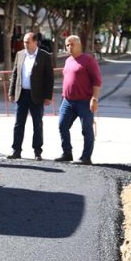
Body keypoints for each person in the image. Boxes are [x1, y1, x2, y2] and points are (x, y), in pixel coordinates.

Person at [54, 35, 102, 165]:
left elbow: (97, 81)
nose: (69, 47)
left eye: (72, 44)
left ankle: (86, 157)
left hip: (84, 101)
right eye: (67, 45)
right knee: (62, 125)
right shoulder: (68, 61)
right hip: (68, 101)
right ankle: (67, 153)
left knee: (86, 129)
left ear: (79, 45)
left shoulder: (88, 60)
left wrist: (94, 98)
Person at [7, 32, 54, 161]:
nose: (25, 44)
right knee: (18, 124)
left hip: (37, 95)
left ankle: (37, 151)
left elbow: (49, 78)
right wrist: (11, 92)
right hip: (21, 94)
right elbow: (15, 74)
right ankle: (16, 150)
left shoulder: (44, 56)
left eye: (28, 42)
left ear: (35, 42)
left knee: (37, 124)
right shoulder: (20, 54)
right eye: (24, 42)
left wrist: (48, 96)